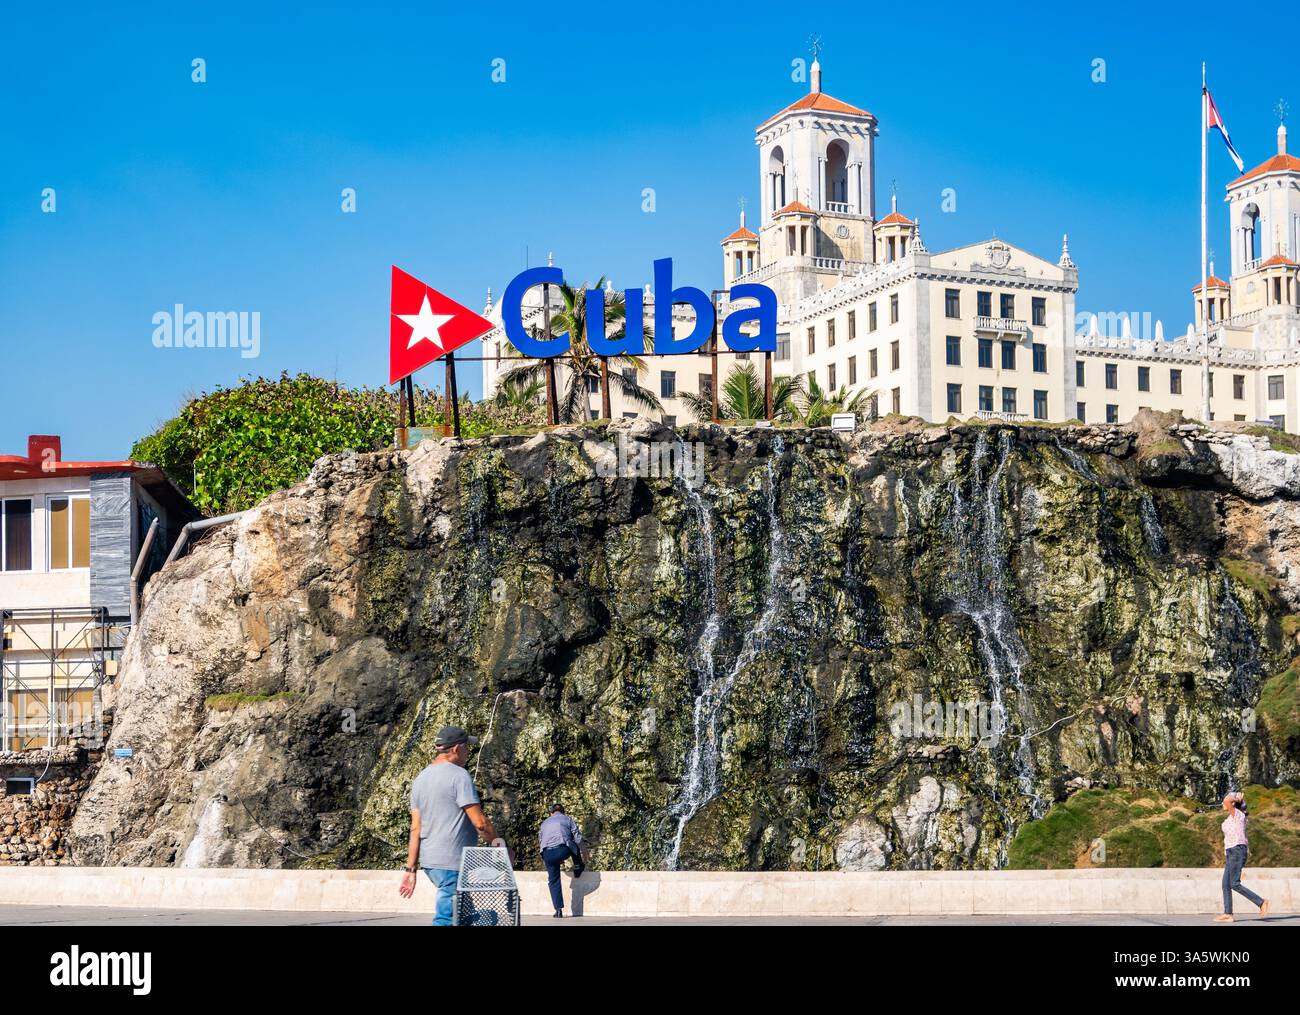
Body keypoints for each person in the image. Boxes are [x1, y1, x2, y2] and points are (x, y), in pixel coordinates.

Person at [398, 725, 501, 926]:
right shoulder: (459, 775)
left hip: (431, 863)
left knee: (466, 917)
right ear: (456, 749)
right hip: (452, 863)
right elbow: (480, 823)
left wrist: (410, 870)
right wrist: (499, 845)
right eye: (466, 748)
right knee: (446, 919)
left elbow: (415, 829)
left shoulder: (421, 778)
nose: (468, 753)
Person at [1214, 791, 1270, 923]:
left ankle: (1261, 902)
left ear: (1233, 803)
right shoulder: (1230, 818)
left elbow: (1228, 801)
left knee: (1234, 883)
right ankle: (1228, 914)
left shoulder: (1238, 815)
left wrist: (1236, 798)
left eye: (1225, 801)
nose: (1223, 803)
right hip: (1231, 852)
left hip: (1237, 850)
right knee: (1226, 884)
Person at [538, 803, 586, 918]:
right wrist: (585, 851)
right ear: (563, 812)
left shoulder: (544, 823)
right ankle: (578, 867)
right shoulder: (567, 819)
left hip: (547, 854)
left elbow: (540, 840)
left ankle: (558, 910)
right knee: (574, 842)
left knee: (553, 880)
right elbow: (577, 837)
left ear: (551, 813)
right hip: (562, 850)